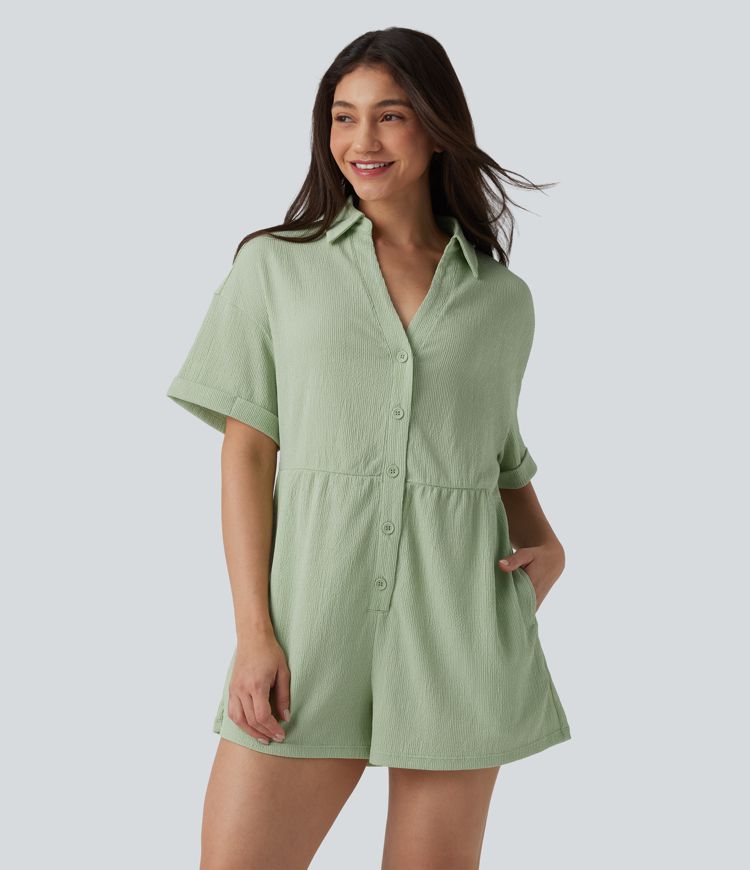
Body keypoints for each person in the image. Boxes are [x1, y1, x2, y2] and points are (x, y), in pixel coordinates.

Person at [166, 26, 571, 870]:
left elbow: (494, 455)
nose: (362, 140)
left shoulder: (503, 301)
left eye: (389, 115)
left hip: (459, 636)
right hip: (310, 629)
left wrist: (548, 543)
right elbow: (248, 454)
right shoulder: (275, 268)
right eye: (343, 117)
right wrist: (255, 636)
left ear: (436, 125)